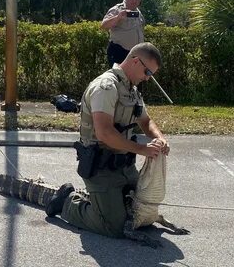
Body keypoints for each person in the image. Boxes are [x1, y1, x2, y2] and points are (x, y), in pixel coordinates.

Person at [45, 42, 170, 238]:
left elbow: (146, 121)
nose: (147, 78)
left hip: (124, 167)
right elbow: (104, 133)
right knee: (114, 226)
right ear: (136, 61)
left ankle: (103, 201)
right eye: (147, 72)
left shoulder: (132, 90)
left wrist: (160, 138)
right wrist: (143, 149)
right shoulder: (105, 87)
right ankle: (66, 202)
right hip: (100, 168)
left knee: (142, 211)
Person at [101, 0, 145, 67]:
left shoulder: (139, 13)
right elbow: (104, 25)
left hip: (135, 55)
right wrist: (117, 17)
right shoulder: (117, 9)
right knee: (120, 79)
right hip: (119, 53)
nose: (135, 0)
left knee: (132, 80)